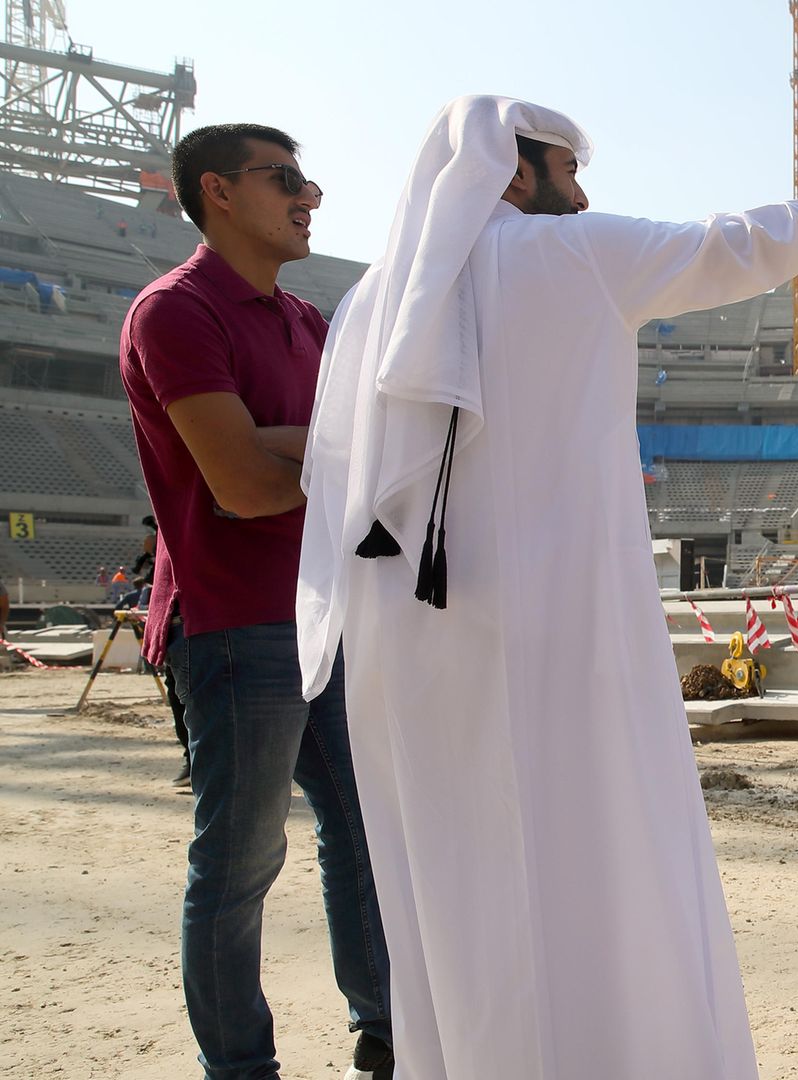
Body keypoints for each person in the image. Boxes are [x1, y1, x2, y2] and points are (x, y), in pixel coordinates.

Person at [296, 95, 798, 1080]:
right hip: (560, 615)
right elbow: (730, 244)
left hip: (411, 638)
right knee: (590, 841)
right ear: (516, 172)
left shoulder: (373, 301)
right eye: (569, 166)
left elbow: (343, 474)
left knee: (454, 861)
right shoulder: (574, 255)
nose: (584, 188)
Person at [119, 122, 392, 1080]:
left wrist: (294, 445)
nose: (310, 195)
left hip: (323, 613)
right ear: (218, 191)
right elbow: (241, 485)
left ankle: (386, 1034)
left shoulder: (310, 321)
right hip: (234, 623)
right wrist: (313, 452)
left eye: (308, 178)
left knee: (365, 837)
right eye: (286, 179)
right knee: (240, 867)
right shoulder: (174, 313)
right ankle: (240, 1068)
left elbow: (351, 456)